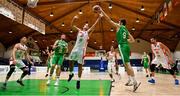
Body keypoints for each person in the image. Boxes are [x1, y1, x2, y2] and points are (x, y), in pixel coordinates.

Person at [98, 6, 141, 92]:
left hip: (122, 46)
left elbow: (109, 20)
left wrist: (101, 10)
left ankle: (135, 82)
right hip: (126, 46)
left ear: (121, 23)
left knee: (127, 64)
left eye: (119, 22)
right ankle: (130, 80)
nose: (118, 23)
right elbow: (132, 40)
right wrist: (126, 40)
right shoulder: (126, 30)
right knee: (126, 64)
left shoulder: (119, 27)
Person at [67, 14, 102, 89]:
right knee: (70, 61)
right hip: (75, 49)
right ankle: (71, 73)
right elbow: (72, 24)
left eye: (87, 25)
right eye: (85, 25)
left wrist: (99, 18)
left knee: (80, 65)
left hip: (81, 51)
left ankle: (78, 80)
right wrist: (74, 17)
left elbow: (94, 26)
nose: (86, 26)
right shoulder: (79, 30)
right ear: (83, 27)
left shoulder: (87, 32)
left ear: (88, 28)